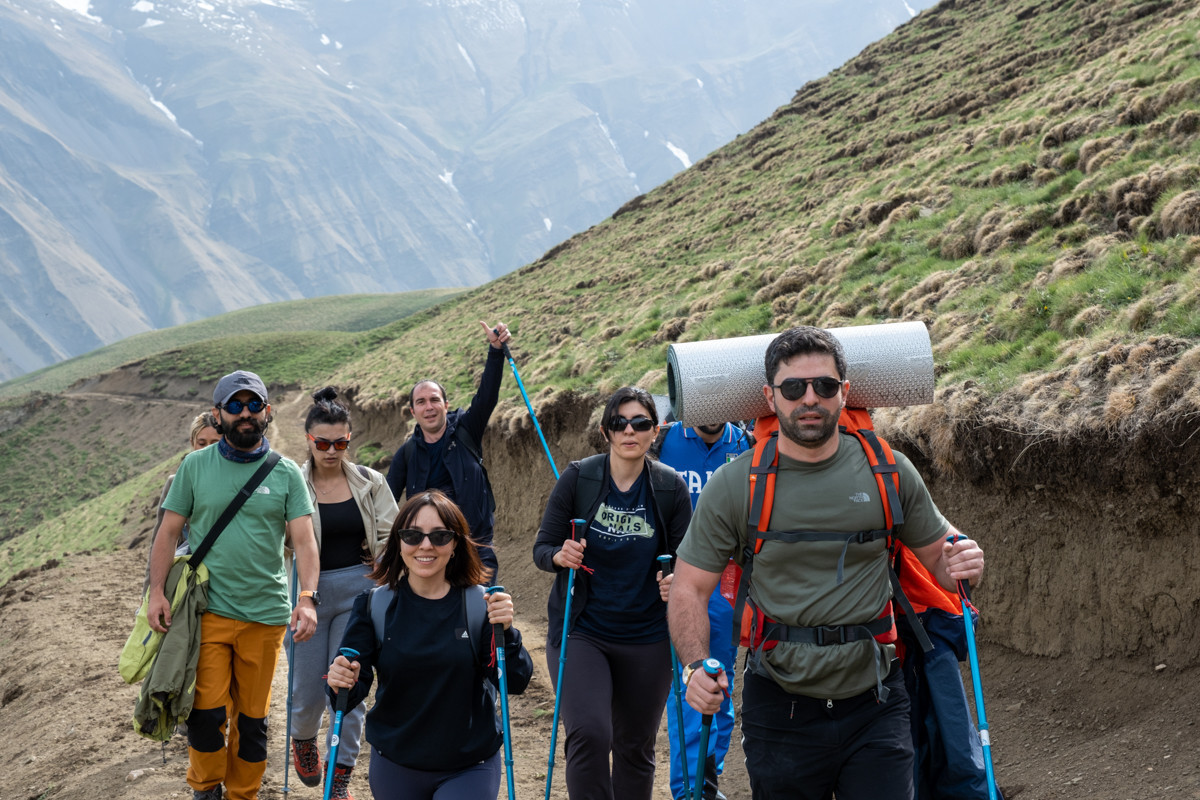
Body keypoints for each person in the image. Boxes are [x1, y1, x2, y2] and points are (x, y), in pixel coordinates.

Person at [668, 326, 986, 800]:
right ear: (770, 397)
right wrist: (695, 667)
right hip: (779, 708)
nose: (809, 399)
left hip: (878, 700)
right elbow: (689, 588)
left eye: (825, 386)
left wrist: (964, 562)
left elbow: (941, 559)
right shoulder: (737, 485)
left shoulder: (890, 471)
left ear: (845, 393)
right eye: (793, 388)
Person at [147, 370, 320, 800]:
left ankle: (243, 794)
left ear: (267, 412)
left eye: (254, 405)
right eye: (235, 406)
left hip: (265, 616)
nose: (245, 413)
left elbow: (304, 540)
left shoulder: (285, 474)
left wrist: (308, 598)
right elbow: (168, 533)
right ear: (217, 413)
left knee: (252, 721)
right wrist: (156, 593)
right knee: (205, 715)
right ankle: (205, 788)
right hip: (209, 612)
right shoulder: (194, 466)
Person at [533, 386, 692, 800]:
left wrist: (675, 580)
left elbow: (686, 561)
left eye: (640, 423)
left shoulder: (669, 487)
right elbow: (542, 548)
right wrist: (560, 555)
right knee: (589, 733)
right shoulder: (580, 477)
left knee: (635, 748)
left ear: (654, 432)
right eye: (619, 422)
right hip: (583, 629)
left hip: (648, 636)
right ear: (605, 430)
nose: (629, 431)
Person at [326, 490, 533, 800]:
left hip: (469, 764)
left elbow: (514, 681)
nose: (425, 545)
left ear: (455, 544)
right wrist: (340, 679)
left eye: (439, 536)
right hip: (396, 762)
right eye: (412, 535)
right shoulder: (374, 607)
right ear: (398, 541)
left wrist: (508, 633)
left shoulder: (480, 604)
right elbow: (350, 692)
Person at [286, 386, 398, 800]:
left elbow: (392, 532)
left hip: (359, 592)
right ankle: (302, 739)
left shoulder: (371, 482)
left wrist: (381, 570)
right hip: (305, 595)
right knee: (307, 692)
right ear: (308, 440)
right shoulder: (290, 483)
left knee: (349, 689)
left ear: (350, 439)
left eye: (340, 442)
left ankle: (340, 778)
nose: (331, 451)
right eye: (322, 443)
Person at [654, 420, 751, 800]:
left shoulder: (745, 441)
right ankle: (689, 790)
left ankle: (707, 781)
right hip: (678, 579)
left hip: (729, 582)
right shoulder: (664, 440)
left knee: (721, 682)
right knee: (691, 682)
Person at [387, 321, 510, 580]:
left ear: (446, 404)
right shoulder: (407, 453)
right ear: (413, 412)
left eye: (434, 400)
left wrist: (496, 351)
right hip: (429, 554)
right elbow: (384, 503)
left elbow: (487, 396)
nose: (429, 407)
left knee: (486, 617)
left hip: (476, 547)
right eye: (421, 402)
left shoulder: (467, 430)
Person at [142, 411, 221, 594]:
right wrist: (150, 592)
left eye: (214, 444)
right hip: (189, 582)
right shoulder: (176, 483)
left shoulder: (236, 484)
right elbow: (160, 542)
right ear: (192, 444)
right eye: (201, 443)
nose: (206, 449)